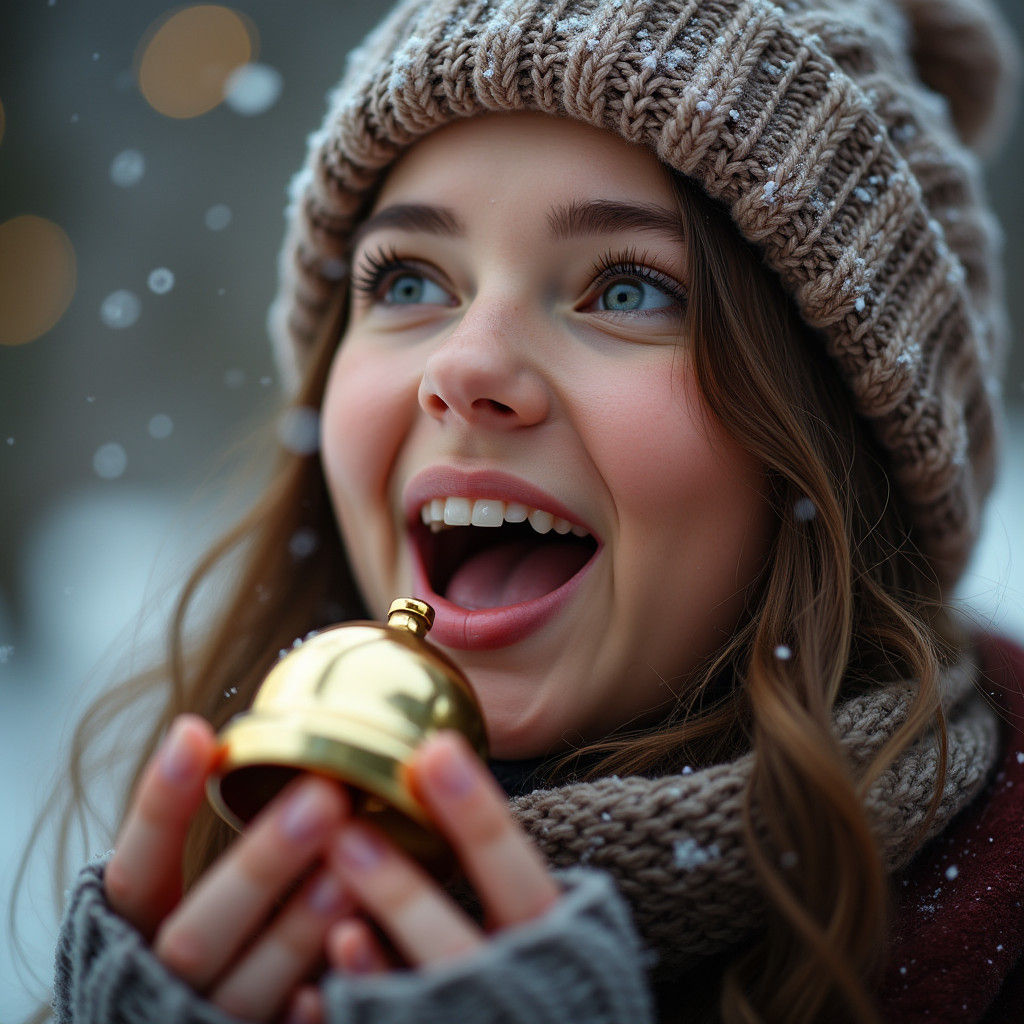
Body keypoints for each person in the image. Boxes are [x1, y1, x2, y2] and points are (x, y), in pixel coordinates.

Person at [40, 0, 1024, 1021]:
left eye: (630, 288)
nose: (464, 366)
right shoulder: (198, 902)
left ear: (830, 446)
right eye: (410, 278)